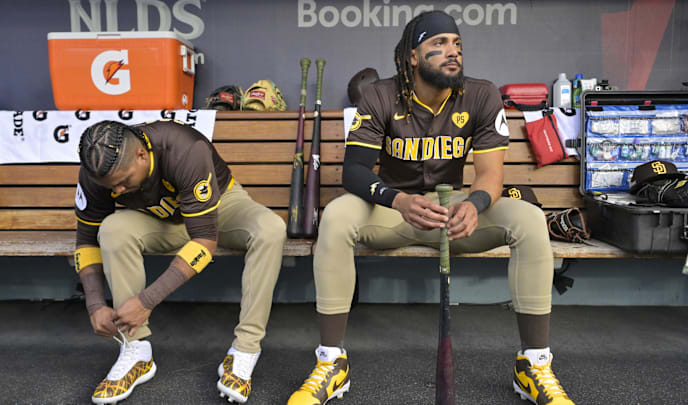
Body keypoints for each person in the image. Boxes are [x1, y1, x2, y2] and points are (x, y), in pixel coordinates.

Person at [287, 10, 575, 405]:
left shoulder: (481, 94)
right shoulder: (380, 94)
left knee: (527, 217)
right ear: (412, 55)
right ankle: (331, 363)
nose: (451, 52)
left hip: (452, 209)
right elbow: (353, 172)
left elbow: (491, 176)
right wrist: (398, 199)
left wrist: (474, 204)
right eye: (438, 45)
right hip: (392, 208)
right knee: (336, 216)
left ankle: (534, 366)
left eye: (456, 44)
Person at [74, 119, 285, 404]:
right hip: (163, 218)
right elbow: (86, 241)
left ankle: (245, 349)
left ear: (141, 155)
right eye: (113, 187)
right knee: (112, 229)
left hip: (221, 205)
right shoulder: (96, 171)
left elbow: (205, 241)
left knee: (270, 229)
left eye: (124, 181)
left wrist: (147, 300)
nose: (120, 191)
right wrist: (95, 304)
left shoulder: (185, 149)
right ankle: (135, 350)